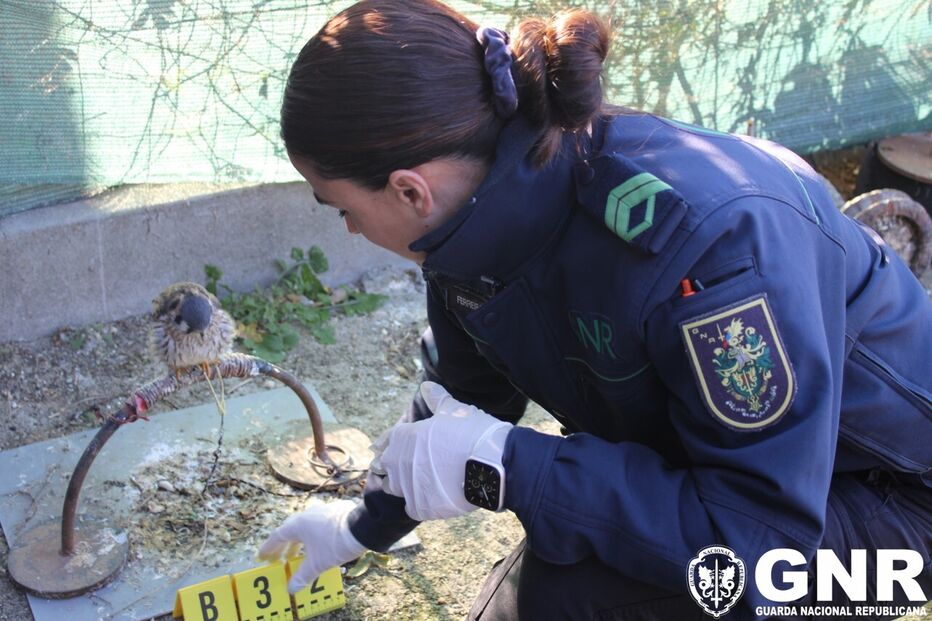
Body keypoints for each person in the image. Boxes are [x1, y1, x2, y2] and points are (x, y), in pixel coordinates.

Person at [256, 1, 932, 619]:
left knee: (561, 599)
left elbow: (759, 548)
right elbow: (464, 391)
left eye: (342, 206)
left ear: (409, 191)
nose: (347, 227)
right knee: (556, 573)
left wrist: (509, 466)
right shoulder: (472, 221)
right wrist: (361, 524)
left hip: (893, 511)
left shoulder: (708, 250)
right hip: (748, 478)